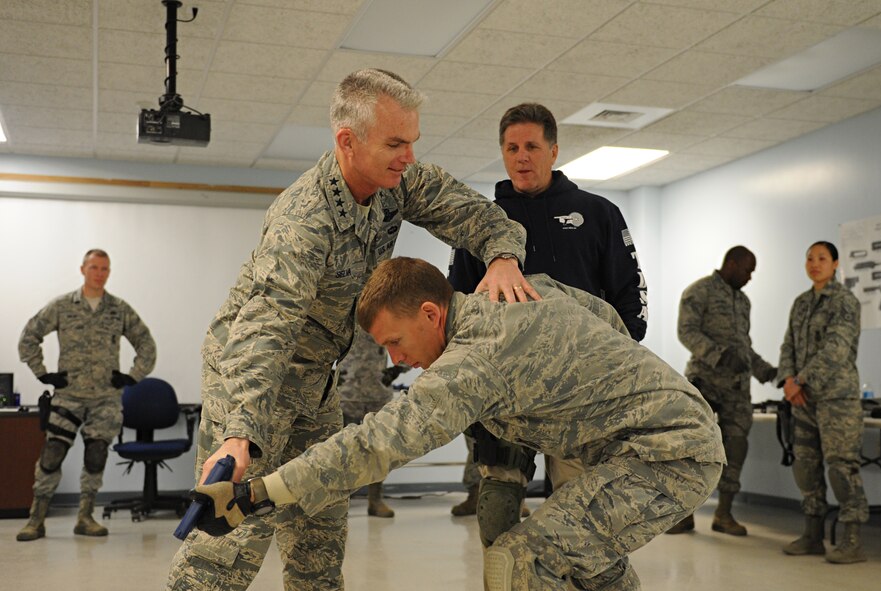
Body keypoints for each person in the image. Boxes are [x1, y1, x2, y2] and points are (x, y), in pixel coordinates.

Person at [166, 69, 535, 591]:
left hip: (317, 381)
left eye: (412, 142)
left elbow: (477, 215)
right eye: (395, 143)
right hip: (256, 381)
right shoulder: (304, 220)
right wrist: (237, 433)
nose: (408, 156)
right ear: (348, 141)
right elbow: (266, 327)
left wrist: (501, 257)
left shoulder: (395, 182)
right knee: (226, 546)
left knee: (320, 533)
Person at [189, 257, 724, 591]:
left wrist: (259, 492)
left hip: (669, 453)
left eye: (395, 342)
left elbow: (375, 444)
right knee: (589, 558)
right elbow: (601, 315)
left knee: (518, 562)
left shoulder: (474, 359)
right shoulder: (517, 290)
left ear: (430, 312)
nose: (394, 360)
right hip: (649, 441)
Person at [448, 103, 648, 532]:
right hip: (503, 386)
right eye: (512, 147)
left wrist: (619, 362)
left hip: (579, 385)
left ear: (553, 151)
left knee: (579, 509)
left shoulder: (598, 213)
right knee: (498, 503)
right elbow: (458, 305)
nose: (522, 156)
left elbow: (629, 292)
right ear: (502, 152)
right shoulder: (480, 222)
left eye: (532, 147)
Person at [16, 248, 156, 541]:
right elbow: (29, 337)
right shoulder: (62, 306)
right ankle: (35, 520)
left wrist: (132, 376)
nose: (99, 273)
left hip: (105, 398)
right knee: (52, 455)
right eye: (94, 268)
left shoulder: (119, 309)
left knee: (96, 454)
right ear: (83, 270)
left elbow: (146, 345)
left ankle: (85, 517)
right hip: (68, 396)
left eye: (105, 269)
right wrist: (43, 373)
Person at [667, 246, 778, 536]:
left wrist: (766, 371)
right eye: (747, 270)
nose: (750, 277)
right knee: (694, 449)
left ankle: (724, 514)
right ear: (731, 264)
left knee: (736, 448)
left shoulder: (743, 302)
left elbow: (744, 347)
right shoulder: (699, 292)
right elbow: (686, 331)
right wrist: (719, 354)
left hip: (737, 389)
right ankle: (684, 514)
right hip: (705, 383)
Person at [779, 241, 868, 564]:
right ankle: (812, 535)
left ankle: (853, 540)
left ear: (835, 264)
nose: (814, 263)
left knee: (841, 469)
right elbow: (788, 344)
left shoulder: (844, 302)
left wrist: (800, 380)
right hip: (803, 400)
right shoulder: (801, 303)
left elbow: (836, 349)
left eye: (822, 258)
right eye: (809, 258)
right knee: (805, 467)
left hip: (836, 400)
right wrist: (788, 381)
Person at [337, 328, 408, 518]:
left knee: (380, 449)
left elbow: (405, 337)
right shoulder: (345, 313)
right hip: (347, 394)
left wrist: (398, 369)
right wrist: (331, 372)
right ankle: (339, 502)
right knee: (343, 451)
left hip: (377, 392)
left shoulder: (380, 312)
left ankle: (375, 500)